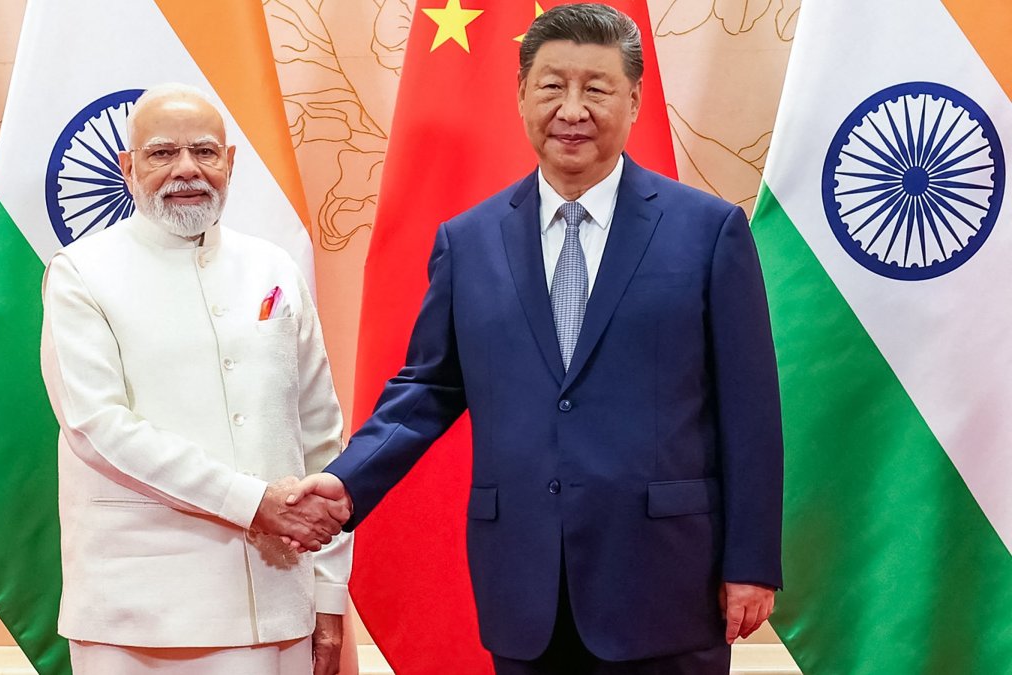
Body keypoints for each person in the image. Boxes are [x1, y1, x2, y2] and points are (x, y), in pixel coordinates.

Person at [291, 4, 783, 674]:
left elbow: (749, 411)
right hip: (525, 588)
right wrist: (346, 484)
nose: (572, 108)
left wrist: (752, 563)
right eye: (551, 86)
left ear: (634, 99)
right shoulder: (468, 241)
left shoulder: (708, 232)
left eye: (597, 87)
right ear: (521, 95)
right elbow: (428, 387)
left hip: (669, 582)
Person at [40, 82, 351, 675]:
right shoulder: (82, 273)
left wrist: (330, 593)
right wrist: (251, 502)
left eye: (205, 152)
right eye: (162, 153)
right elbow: (97, 426)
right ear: (128, 169)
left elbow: (320, 436)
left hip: (281, 601)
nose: (187, 170)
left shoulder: (272, 267)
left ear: (230, 163)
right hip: (141, 615)